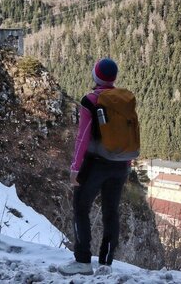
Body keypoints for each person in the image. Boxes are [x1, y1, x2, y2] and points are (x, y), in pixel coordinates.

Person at [59, 58, 138, 276]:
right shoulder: (124, 99)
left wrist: (75, 168)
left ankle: (83, 260)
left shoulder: (90, 100)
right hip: (121, 165)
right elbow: (129, 134)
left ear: (95, 76)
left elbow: (82, 138)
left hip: (96, 165)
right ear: (113, 78)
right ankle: (106, 262)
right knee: (111, 211)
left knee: (81, 207)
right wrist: (127, 162)